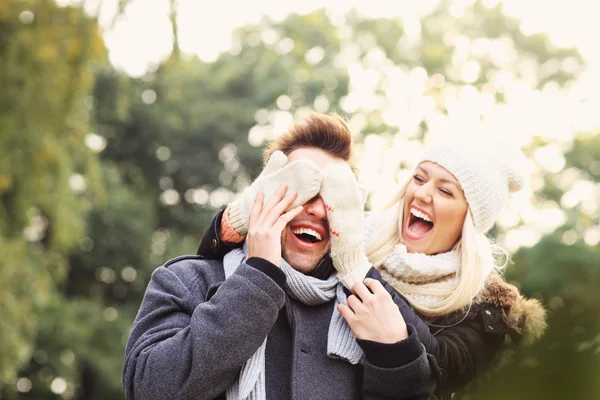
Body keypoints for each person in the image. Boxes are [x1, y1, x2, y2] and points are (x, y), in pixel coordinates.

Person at [197, 118, 548, 399]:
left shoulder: (487, 310)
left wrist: (356, 271)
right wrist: (239, 216)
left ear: (469, 219)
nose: (422, 193)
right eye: (419, 178)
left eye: (444, 190)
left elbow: (438, 372)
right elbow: (239, 261)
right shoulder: (353, 237)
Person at [122, 114, 437, 400]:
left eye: (333, 196)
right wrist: (257, 276)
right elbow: (148, 389)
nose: (316, 209)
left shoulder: (365, 312)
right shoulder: (187, 280)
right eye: (302, 188)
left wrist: (395, 356)